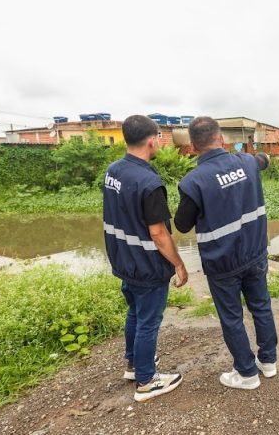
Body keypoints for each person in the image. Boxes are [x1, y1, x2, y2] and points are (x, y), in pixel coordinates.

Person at [174, 116, 278, 390]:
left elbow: (182, 224)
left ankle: (246, 373)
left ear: (193, 147)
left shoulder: (193, 181)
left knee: (232, 316)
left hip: (222, 263)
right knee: (261, 306)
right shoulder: (246, 162)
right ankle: (268, 362)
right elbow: (263, 159)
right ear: (221, 139)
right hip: (255, 253)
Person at [102, 114, 188, 402]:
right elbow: (158, 233)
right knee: (149, 321)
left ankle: (133, 365)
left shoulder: (113, 171)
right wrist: (177, 262)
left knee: (135, 314)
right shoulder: (149, 182)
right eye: (159, 139)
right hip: (146, 265)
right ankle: (147, 381)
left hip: (123, 260)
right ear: (152, 141)